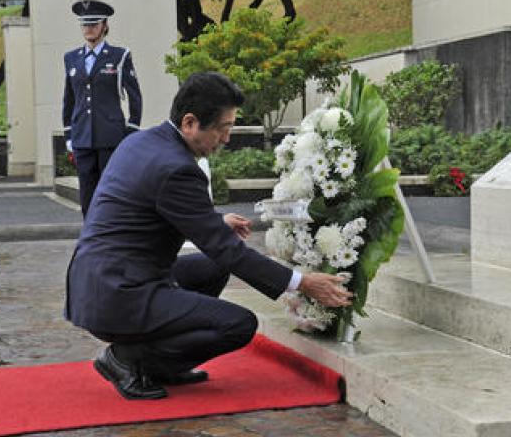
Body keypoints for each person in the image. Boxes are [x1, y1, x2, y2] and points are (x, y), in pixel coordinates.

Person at [64, 72, 352, 400]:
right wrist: (302, 282)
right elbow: (228, 250)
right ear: (190, 123)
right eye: (223, 128)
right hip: (119, 294)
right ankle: (126, 359)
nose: (227, 139)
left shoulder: (142, 142)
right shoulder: (178, 168)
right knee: (238, 324)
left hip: (98, 282)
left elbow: (147, 210)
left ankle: (163, 365)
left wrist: (214, 221)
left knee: (212, 268)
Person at [62, 0, 142, 217]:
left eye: (94, 24)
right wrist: (68, 134)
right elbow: (68, 99)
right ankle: (91, 235)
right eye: (85, 24)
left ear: (104, 25)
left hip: (111, 136)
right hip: (82, 137)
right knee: (87, 192)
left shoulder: (119, 56)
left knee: (110, 190)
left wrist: (132, 130)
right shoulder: (71, 58)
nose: (89, 29)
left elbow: (135, 97)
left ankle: (110, 233)